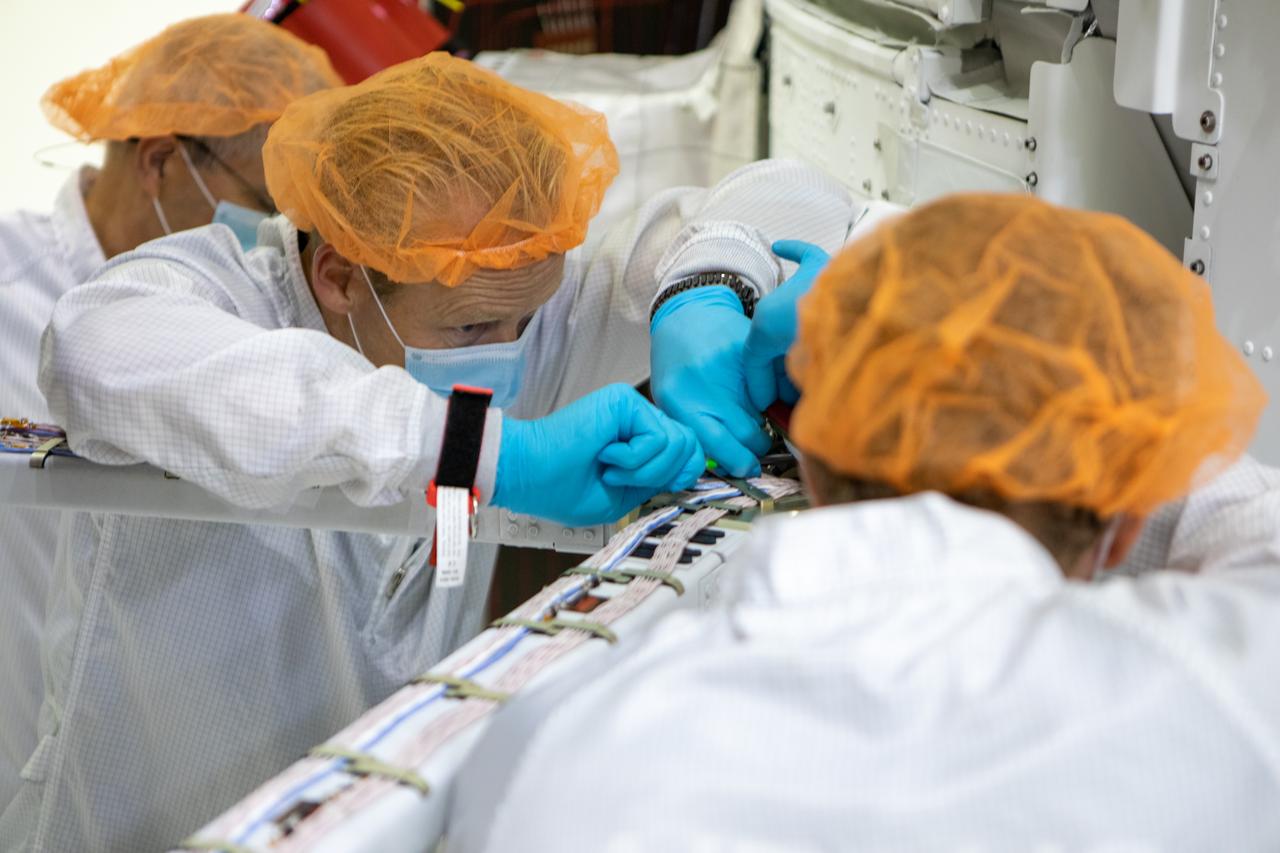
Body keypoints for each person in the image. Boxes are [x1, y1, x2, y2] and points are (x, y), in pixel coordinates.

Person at [18, 51, 859, 850]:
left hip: (373, 807)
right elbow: (95, 346)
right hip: (139, 823)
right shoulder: (221, 292)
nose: (509, 348)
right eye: (469, 327)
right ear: (340, 276)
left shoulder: (522, 310)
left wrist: (707, 288)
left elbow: (794, 196)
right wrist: (484, 454)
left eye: (524, 318)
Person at [446, 194, 1280, 852]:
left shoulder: (560, 742)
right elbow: (1247, 516)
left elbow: (781, 191)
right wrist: (1093, 414)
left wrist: (852, 318)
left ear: (809, 455)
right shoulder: (1226, 695)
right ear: (1130, 521)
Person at [0, 13, 340, 828]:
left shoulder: (272, 315)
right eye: (272, 204)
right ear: (160, 160)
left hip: (203, 773)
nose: (287, 241)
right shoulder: (12, 293)